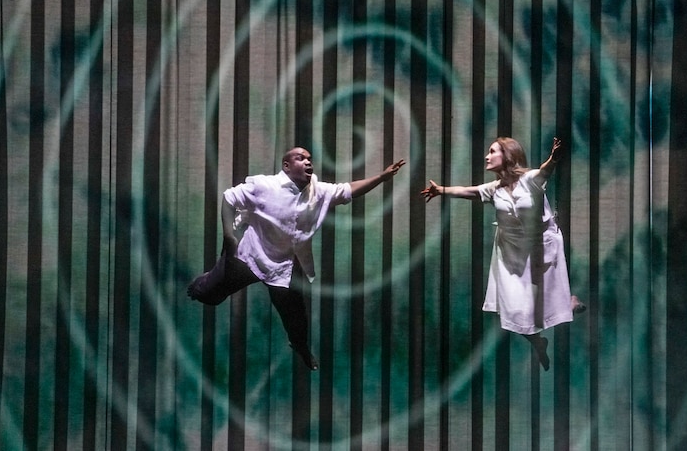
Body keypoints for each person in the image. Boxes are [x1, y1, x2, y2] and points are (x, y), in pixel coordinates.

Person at [188, 147, 406, 371]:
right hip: (249, 257)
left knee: (297, 320)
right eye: (301, 158)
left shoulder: (317, 191)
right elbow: (229, 198)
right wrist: (228, 235)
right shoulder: (264, 186)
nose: (308, 162)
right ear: (287, 166)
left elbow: (348, 190)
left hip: (283, 267)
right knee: (209, 293)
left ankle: (300, 347)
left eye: (310, 159)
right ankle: (200, 283)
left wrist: (381, 177)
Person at [421, 137, 585, 371]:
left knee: (534, 306)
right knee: (514, 312)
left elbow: (545, 171)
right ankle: (539, 340)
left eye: (492, 152)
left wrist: (554, 158)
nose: (487, 157)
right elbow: (469, 191)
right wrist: (441, 190)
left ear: (507, 155)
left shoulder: (529, 180)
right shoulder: (494, 189)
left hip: (541, 246)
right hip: (512, 252)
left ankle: (567, 303)